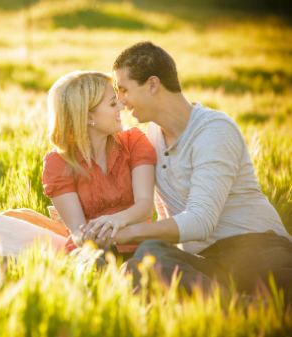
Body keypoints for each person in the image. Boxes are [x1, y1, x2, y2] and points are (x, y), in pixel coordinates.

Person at [81, 41, 292, 297]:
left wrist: (126, 234)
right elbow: (168, 218)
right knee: (129, 262)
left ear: (153, 84)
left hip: (258, 252)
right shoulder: (152, 136)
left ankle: (259, 308)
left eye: (124, 90)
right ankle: (244, 305)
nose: (122, 102)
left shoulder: (214, 130)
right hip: (211, 264)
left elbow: (201, 221)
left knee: (149, 253)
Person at [42, 70, 157, 261]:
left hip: (139, 245)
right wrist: (91, 238)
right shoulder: (58, 163)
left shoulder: (134, 141)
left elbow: (145, 206)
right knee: (97, 259)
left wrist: (114, 222)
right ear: (88, 117)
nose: (121, 106)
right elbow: (77, 230)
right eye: (113, 103)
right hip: (91, 250)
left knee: (153, 257)